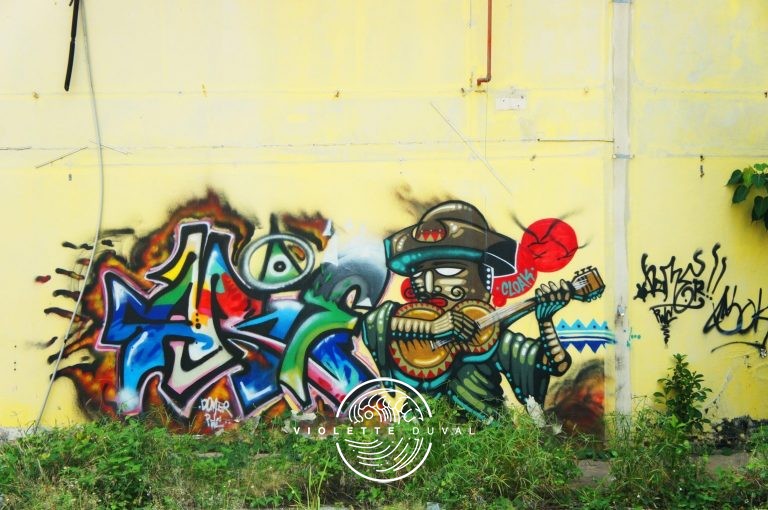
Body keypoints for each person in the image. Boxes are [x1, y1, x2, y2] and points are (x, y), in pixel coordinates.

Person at [362, 201, 573, 418]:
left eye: (447, 270)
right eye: (418, 273)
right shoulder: (405, 326)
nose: (428, 285)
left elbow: (555, 364)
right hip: (421, 430)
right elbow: (375, 323)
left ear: (484, 277)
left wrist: (545, 321)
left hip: (484, 430)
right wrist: (433, 328)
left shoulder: (489, 335)